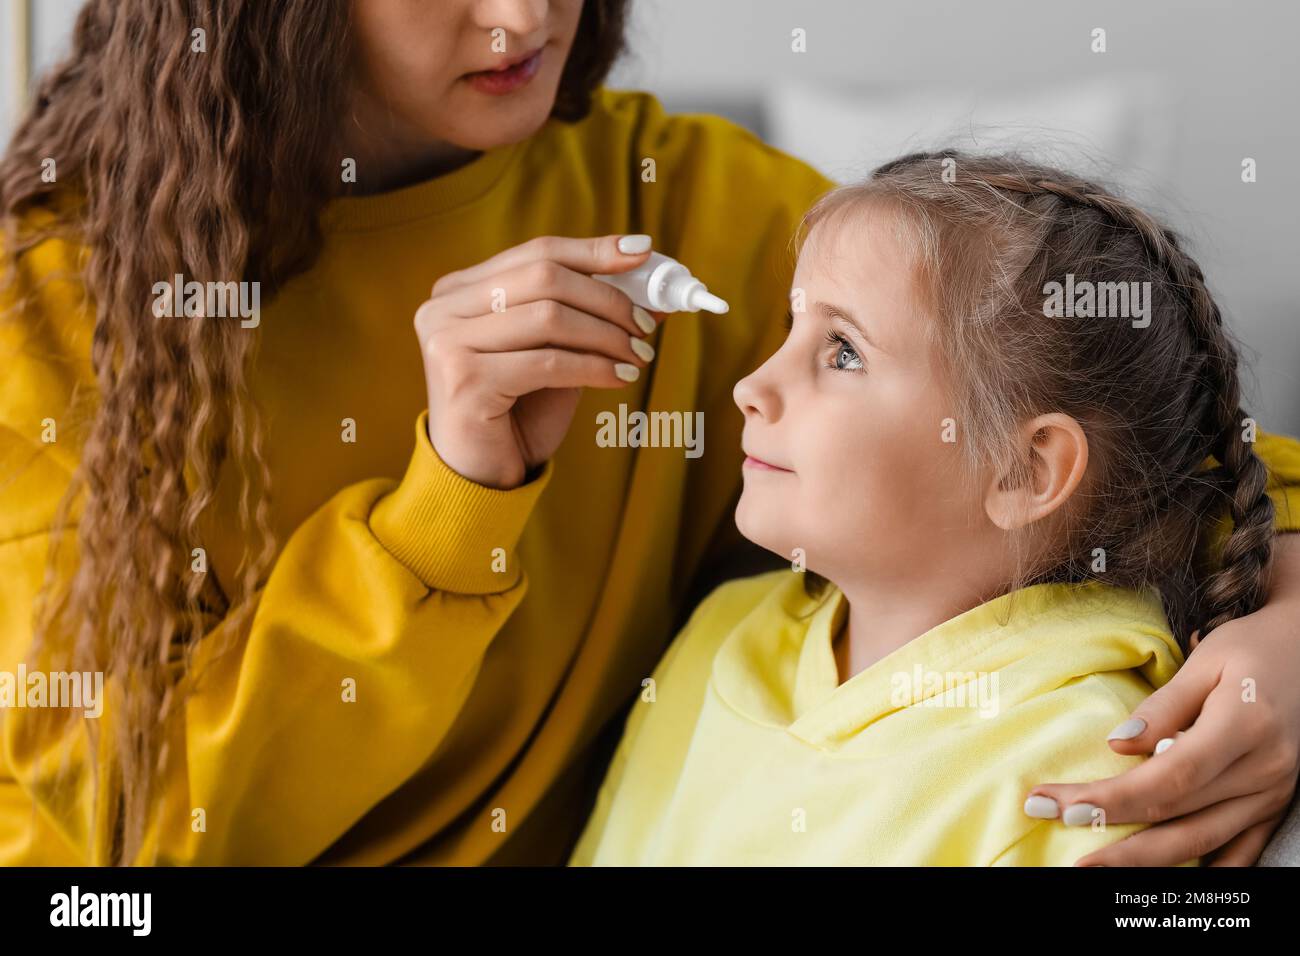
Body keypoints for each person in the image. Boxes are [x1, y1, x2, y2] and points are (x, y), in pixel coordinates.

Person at [0, 1, 1297, 867]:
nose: (521, 19)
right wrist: (445, 509)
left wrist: (1293, 613)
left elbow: (1133, 433)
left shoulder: (685, 202)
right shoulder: (54, 314)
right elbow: (100, 835)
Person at [570, 151, 1285, 865]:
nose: (753, 385)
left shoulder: (1076, 767)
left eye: (842, 352)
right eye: (792, 327)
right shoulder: (720, 634)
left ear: (1023, 470)